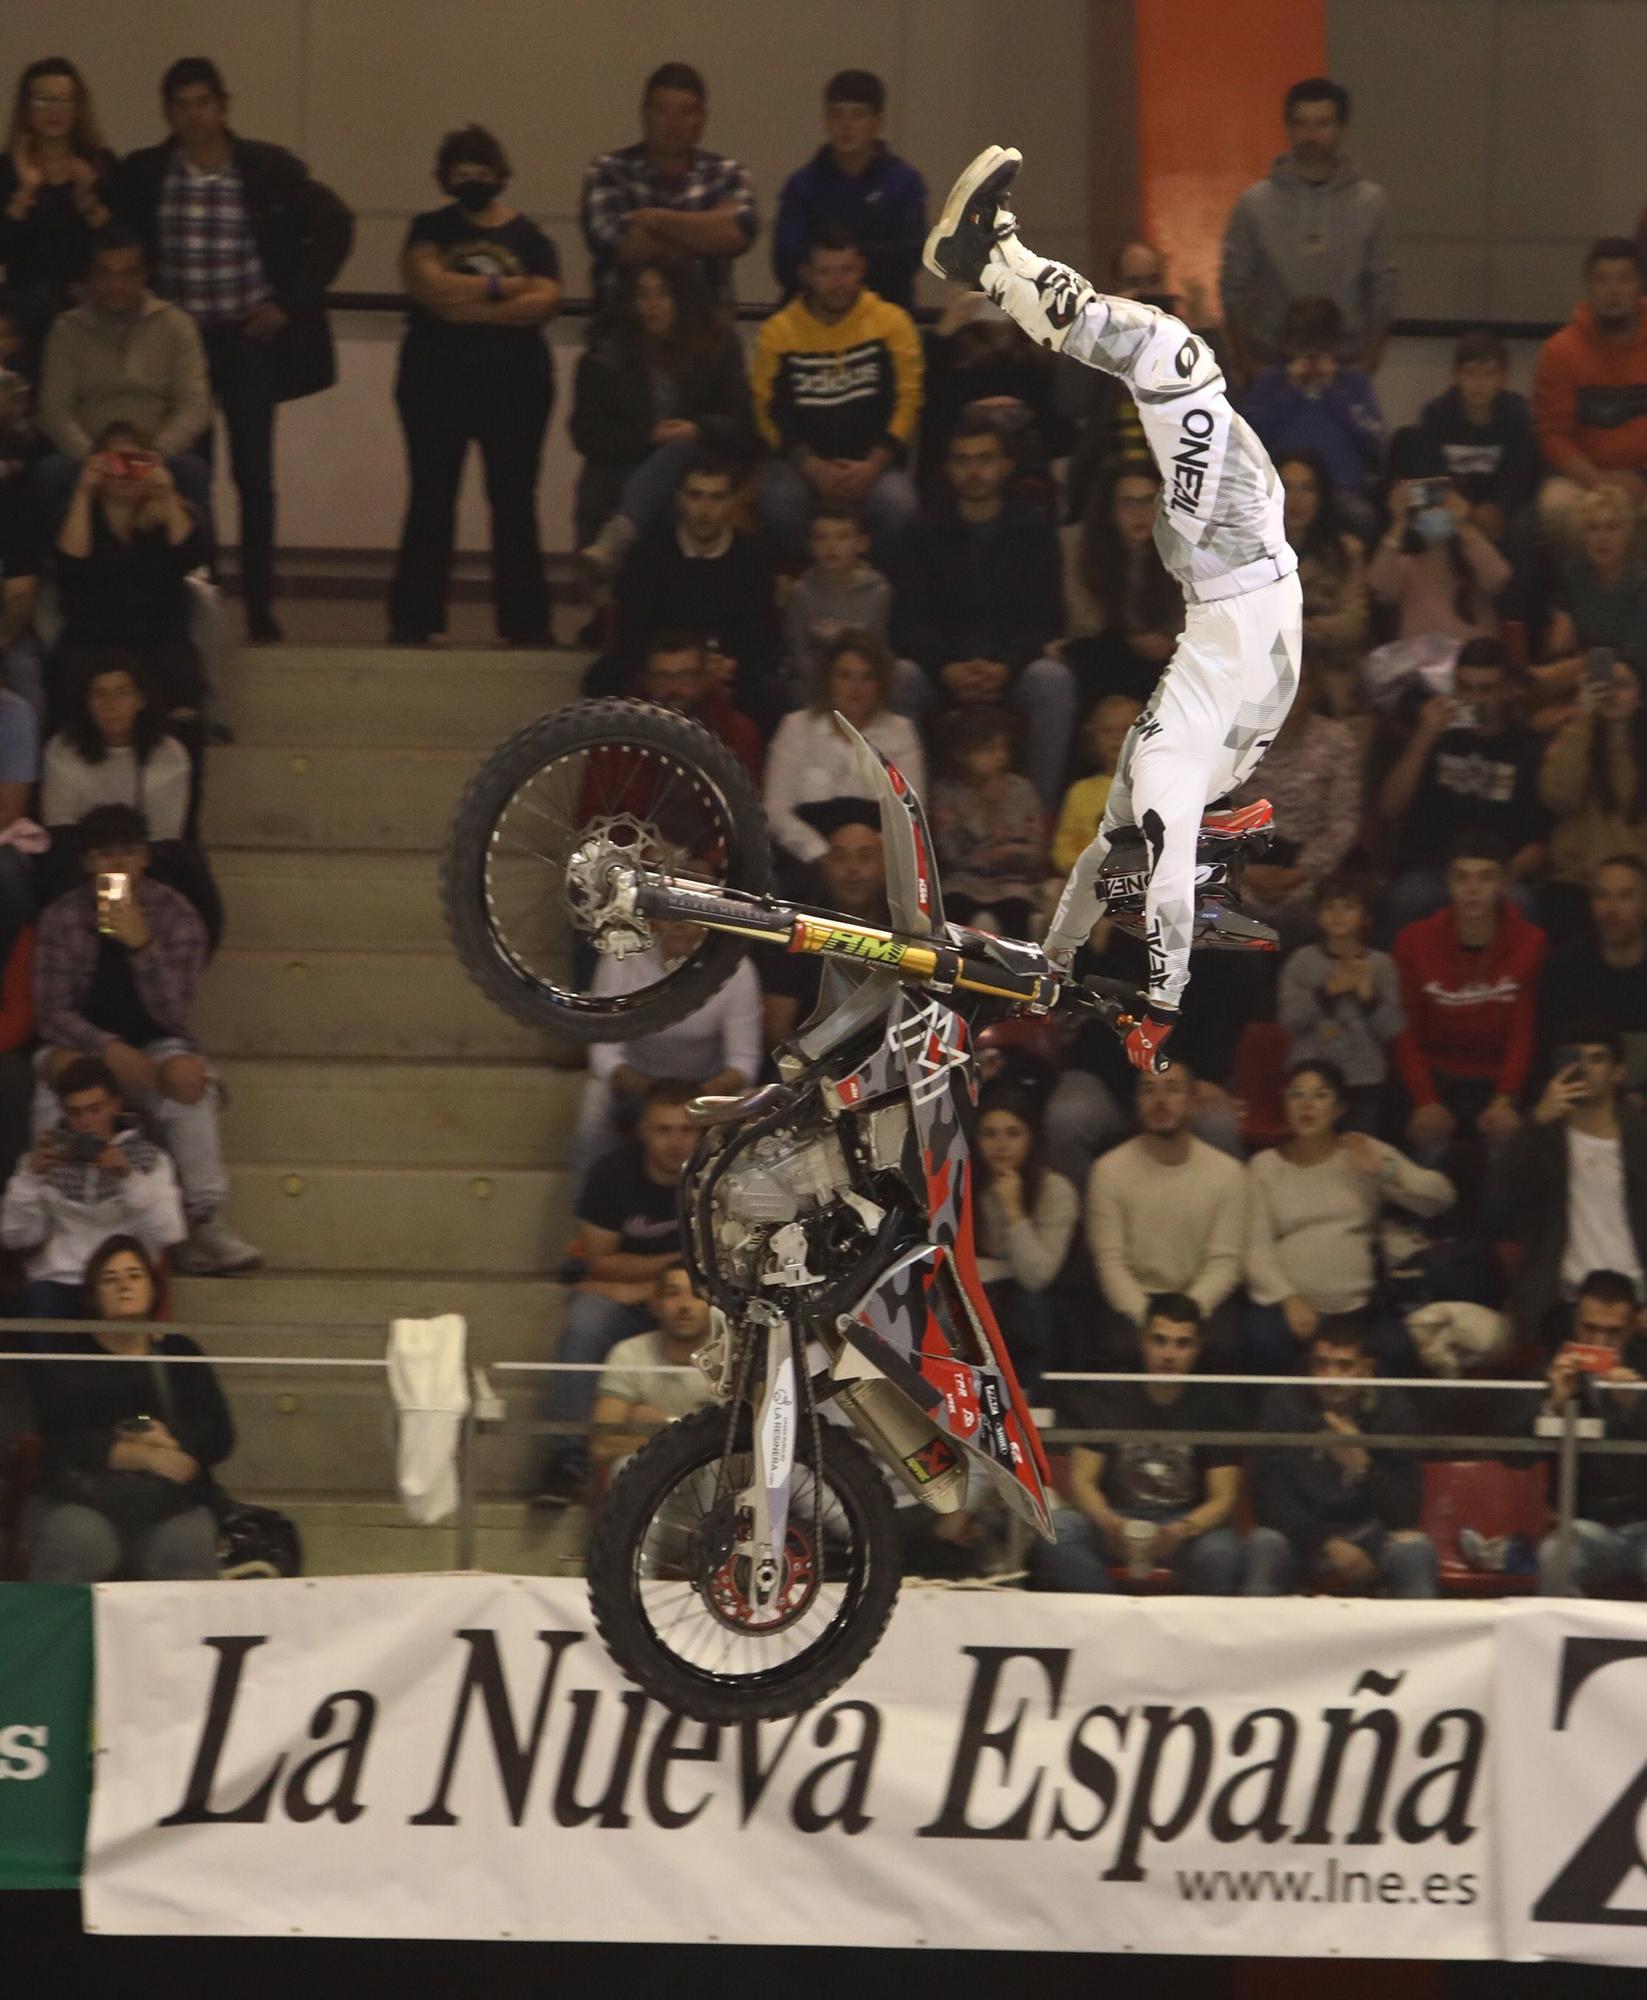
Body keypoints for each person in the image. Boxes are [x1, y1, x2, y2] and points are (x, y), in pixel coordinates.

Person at [924, 145, 1302, 1070]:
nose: (1142, 853)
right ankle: (984, 261)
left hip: (1228, 560)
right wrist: (1162, 1000)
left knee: (1170, 357)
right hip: (1237, 550)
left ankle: (989, 263)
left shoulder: (1166, 768)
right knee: (1170, 356)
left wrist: (1052, 960)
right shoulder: (1183, 774)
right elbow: (1159, 868)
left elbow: (1100, 863)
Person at [117, 56, 354, 641]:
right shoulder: (148, 173)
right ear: (167, 112)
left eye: (202, 102)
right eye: (180, 105)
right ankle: (200, 592)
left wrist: (289, 303)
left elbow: (335, 224)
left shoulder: (265, 168)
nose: (192, 115)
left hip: (248, 341)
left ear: (223, 106)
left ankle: (262, 604)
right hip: (179, 344)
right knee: (187, 473)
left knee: (254, 475)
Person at [32, 803, 258, 1275]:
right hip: (83, 1045)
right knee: (61, 1072)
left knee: (188, 1076)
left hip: (157, 1044)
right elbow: (51, 1011)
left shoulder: (176, 915)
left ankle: (204, 1220)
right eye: (105, 856)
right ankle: (48, 1211)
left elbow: (174, 1010)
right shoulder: (62, 917)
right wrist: (108, 1049)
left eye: (128, 854)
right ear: (87, 862)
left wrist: (141, 945)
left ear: (144, 859)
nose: (117, 866)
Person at [386, 124, 560, 649]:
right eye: (460, 169)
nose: (472, 178)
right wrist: (499, 288)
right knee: (431, 498)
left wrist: (459, 304)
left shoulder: (531, 237)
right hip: (432, 386)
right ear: (444, 177)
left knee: (514, 501)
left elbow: (544, 303)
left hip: (518, 388)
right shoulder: (429, 227)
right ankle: (414, 619)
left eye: (481, 168)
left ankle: (526, 624)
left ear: (501, 175)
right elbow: (425, 285)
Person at [892, 409, 1073, 810]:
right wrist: (945, 666)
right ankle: (917, 816)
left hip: (1012, 668)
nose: (974, 471)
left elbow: (1046, 617)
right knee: (902, 678)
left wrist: (1006, 666)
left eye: (985, 459)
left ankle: (1035, 816)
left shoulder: (1033, 528)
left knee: (1052, 681)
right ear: (948, 468)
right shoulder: (921, 530)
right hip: (942, 670)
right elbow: (907, 620)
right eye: (963, 460)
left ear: (1006, 465)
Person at [24, 1231, 231, 1582]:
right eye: (110, 1279)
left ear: (152, 1288)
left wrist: (172, 1436)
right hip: (84, 1498)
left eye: (135, 1276)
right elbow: (60, 1438)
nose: (124, 1286)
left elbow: (219, 1432)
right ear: (93, 1295)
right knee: (79, 1541)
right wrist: (142, 1454)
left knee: (187, 1544)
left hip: (166, 1502)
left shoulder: (180, 1351)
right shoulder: (68, 1354)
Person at [531, 1081, 698, 1508]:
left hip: (695, 1300)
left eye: (686, 1129)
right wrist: (676, 1266)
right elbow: (601, 1262)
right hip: (633, 1302)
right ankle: (566, 1460)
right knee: (586, 1321)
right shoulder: (612, 1173)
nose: (675, 1141)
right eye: (663, 1129)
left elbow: (722, 1264)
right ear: (643, 1130)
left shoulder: (718, 1176)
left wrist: (646, 1284)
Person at [1245, 1059, 1452, 1375]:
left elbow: (1441, 1198)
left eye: (1320, 1095)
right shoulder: (1263, 1166)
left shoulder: (1362, 1151)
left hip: (1359, 1309)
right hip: (1287, 1306)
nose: (1307, 1105)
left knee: (1398, 1351)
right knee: (1263, 1343)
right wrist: (1289, 1299)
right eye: (1297, 1095)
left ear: (1339, 1108)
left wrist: (1386, 1171)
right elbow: (1255, 1248)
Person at [1031, 1293, 1245, 1594]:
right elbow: (1081, 1480)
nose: (1169, 1355)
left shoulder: (1216, 1404)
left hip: (1183, 1527)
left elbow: (1224, 1497)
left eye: (1182, 1343)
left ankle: (1186, 1631)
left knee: (1223, 1550)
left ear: (1197, 1348)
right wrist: (1110, 1523)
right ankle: (1111, 1616)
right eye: (1159, 1341)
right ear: (1142, 1340)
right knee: (1058, 1530)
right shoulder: (1109, 1395)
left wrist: (1181, 1530)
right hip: (1116, 1519)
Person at [751, 224, 924, 564]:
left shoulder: (892, 323)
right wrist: (813, 468)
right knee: (776, 502)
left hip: (875, 465)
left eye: (846, 270)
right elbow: (766, 411)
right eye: (826, 272)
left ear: (861, 269)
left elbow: (909, 401)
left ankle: (870, 590)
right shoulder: (777, 332)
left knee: (900, 506)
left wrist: (872, 466)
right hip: (802, 466)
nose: (837, 282)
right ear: (806, 275)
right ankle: (810, 589)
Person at [570, 260, 752, 570]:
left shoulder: (717, 344)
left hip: (702, 461)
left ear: (683, 297)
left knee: (679, 456)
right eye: (642, 294)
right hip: (628, 462)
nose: (652, 305)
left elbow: (743, 423)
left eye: (663, 293)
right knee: (664, 496)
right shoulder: (605, 355)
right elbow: (587, 434)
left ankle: (617, 537)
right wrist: (649, 435)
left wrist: (696, 430)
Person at [1218, 78, 1396, 384]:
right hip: (1271, 364)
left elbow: (1383, 287)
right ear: (1288, 128)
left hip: (1346, 365)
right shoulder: (1254, 204)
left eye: (1322, 124)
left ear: (1342, 129)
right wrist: (1246, 363)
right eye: (1301, 124)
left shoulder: (1371, 203)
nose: (1311, 135)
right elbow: (1233, 288)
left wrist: (1370, 362)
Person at [1245, 1317, 1437, 1597]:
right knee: (1264, 1542)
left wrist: (1363, 1465)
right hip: (1303, 1539)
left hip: (1370, 1537)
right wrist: (1326, 1542)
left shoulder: (1394, 1412)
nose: (1330, 1376)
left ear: (1367, 1369)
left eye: (1344, 1366)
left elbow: (1407, 1513)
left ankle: (1423, 1643)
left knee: (1415, 1549)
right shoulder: (1283, 1405)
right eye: (1321, 1364)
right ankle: (1254, 1641)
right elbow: (1268, 1502)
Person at [1392, 832, 1547, 1164]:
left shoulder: (1531, 943)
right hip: (1437, 1076)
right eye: (1462, 878)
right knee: (1425, 1144)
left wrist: (1505, 1098)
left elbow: (1523, 1033)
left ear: (1504, 882)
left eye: (1486, 878)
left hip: (1496, 1078)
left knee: (1508, 1148)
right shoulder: (1413, 942)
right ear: (1447, 883)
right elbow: (1405, 1031)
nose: (1473, 890)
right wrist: (1424, 1100)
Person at [1490, 1023, 1647, 1351]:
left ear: (1618, 1072)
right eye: (1575, 1059)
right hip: (1560, 1303)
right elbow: (1504, 1194)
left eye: (1597, 1059)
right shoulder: (1543, 1135)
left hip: (1638, 1300)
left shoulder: (1641, 1136)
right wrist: (1536, 1122)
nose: (1585, 1068)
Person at [1378, 637, 1548, 933]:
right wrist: (1424, 737)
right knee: (1407, 898)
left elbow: (1539, 841)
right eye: (1465, 688)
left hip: (1496, 873)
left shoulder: (1527, 747)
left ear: (1506, 691)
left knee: (1521, 903)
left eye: (1486, 690)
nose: (1475, 699)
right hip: (1434, 868)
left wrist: (1501, 877)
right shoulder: (1436, 735)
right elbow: (1390, 808)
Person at [36, 228, 210, 509]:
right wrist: (96, 458)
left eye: (128, 273)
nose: (116, 283)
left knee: (193, 472)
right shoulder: (67, 330)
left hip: (159, 454)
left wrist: (153, 456)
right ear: (90, 276)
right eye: (105, 273)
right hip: (89, 455)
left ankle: (194, 554)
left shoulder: (176, 325)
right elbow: (55, 409)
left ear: (144, 275)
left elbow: (195, 405)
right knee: (50, 472)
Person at [1086, 1062, 1247, 1363]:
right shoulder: (1107, 1171)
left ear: (1192, 1101)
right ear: (1137, 1103)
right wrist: (1149, 1318)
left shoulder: (1228, 1173)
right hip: (1135, 1302)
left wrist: (1183, 1319)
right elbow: (1110, 1262)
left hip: (1199, 1301)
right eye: (1149, 1090)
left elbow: (1224, 1263)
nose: (1160, 1101)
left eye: (1172, 1090)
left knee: (1228, 1348)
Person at [599, 458, 779, 726]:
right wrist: (674, 669)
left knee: (769, 695)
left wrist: (730, 664)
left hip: (730, 672)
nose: (705, 509)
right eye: (696, 496)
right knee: (603, 682)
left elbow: (760, 633)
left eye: (717, 497)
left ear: (731, 502)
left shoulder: (754, 557)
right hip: (660, 668)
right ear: (680, 499)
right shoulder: (647, 555)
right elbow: (633, 629)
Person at [0, 1058, 185, 1318]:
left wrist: (127, 1177)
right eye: (75, 1113)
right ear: (63, 1112)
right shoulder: (44, 1160)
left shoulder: (150, 1158)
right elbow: (13, 1236)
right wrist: (30, 1178)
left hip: (122, 1279)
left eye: (95, 1110)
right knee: (37, 1300)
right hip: (60, 1279)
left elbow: (168, 1232)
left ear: (115, 1106)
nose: (85, 1122)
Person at [53, 420, 209, 727]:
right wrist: (84, 492)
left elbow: (190, 558)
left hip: (158, 636)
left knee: (182, 678)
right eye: (113, 462)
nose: (123, 472)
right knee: (68, 674)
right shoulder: (77, 514)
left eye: (136, 463)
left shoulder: (174, 513)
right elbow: (70, 566)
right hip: (90, 638)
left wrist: (166, 495)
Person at [575, 917, 760, 1175]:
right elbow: (603, 1053)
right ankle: (593, 1202)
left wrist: (700, 1094)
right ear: (653, 919)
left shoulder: (736, 969)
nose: (680, 925)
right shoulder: (621, 958)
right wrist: (651, 1090)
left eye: (692, 918)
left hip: (705, 1087)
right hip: (637, 1085)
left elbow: (744, 1062)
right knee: (593, 1105)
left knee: (751, 1113)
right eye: (673, 916)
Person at [580, 62, 757, 311]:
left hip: (708, 338)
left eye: (687, 112)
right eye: (662, 111)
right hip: (623, 338)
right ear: (644, 114)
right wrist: (706, 235)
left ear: (702, 119)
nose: (673, 124)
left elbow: (738, 235)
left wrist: (652, 218)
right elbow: (620, 246)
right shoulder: (608, 171)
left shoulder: (728, 174)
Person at [764, 630, 924, 877]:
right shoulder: (796, 727)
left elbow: (911, 813)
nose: (855, 688)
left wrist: (867, 858)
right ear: (828, 680)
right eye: (845, 676)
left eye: (866, 677)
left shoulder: (900, 732)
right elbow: (776, 810)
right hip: (806, 861)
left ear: (880, 682)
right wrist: (821, 854)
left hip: (880, 866)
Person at [1227, 662, 1362, 945]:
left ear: (1313, 689)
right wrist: (1244, 870)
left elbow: (1344, 823)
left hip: (1310, 866)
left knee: (1318, 911)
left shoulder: (1336, 740)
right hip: (1241, 859)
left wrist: (1301, 873)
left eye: (1298, 683)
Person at [1532, 1269, 1647, 1595]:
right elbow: (1511, 1456)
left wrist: (1635, 1408)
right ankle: (1564, 1644)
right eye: (1590, 1328)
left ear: (1633, 1325)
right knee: (1556, 1555)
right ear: (1574, 1321)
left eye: (1613, 1332)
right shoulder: (1553, 1368)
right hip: (1583, 1525)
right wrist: (1553, 1406)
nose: (1599, 1342)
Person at [773, 70, 925, 309]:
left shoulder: (904, 183)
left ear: (877, 123)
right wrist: (869, 255)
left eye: (858, 115)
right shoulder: (802, 185)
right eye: (836, 115)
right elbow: (785, 263)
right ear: (825, 121)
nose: (846, 126)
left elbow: (908, 258)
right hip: (813, 320)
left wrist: (829, 262)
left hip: (885, 318)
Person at [1532, 238, 1647, 547]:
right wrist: (1596, 480)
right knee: (1556, 508)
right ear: (1588, 286)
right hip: (1582, 480)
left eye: (1623, 278)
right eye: (1602, 279)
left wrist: (1640, 481)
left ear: (1639, 285)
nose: (1613, 291)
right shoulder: (1561, 351)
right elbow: (1552, 434)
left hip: (1644, 477)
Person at [0, 57, 115, 357]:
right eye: (43, 100)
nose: (54, 110)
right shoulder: (5, 169)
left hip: (92, 309)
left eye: (64, 100)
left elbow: (120, 244)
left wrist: (87, 199)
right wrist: (24, 193)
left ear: (78, 109)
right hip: (24, 314)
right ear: (26, 109)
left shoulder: (101, 164)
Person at [1239, 297, 1383, 527]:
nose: (1312, 357)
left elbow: (1374, 440)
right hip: (1279, 491)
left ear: (1334, 346)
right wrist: (1291, 390)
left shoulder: (1354, 383)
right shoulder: (1271, 382)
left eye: (1320, 348)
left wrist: (1334, 391)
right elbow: (1248, 439)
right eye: (1304, 348)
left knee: (1362, 518)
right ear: (1290, 346)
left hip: (1341, 490)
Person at [974, 1081, 1078, 1395]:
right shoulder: (962, 1185)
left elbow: (1036, 1276)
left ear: (1031, 1138)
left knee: (1027, 1306)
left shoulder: (1057, 1190)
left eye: (1013, 1133)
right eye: (990, 1134)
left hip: (1033, 1305)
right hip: (974, 1295)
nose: (1000, 1145)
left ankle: (1025, 1401)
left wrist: (1014, 1211)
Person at [758, 796, 887, 1047]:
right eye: (840, 857)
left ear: (884, 865)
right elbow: (777, 1030)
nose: (852, 869)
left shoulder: (907, 929)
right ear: (824, 864)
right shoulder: (794, 931)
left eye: (865, 857)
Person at [1277, 875, 1405, 1125]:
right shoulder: (1301, 961)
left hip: (1364, 1079)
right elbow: (1289, 1020)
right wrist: (1329, 991)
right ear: (1317, 915)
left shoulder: (1381, 965)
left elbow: (1392, 1030)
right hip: (1310, 1078)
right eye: (1329, 907)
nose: (1338, 914)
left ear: (1365, 916)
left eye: (1348, 907)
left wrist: (1369, 999)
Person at [1060, 459, 1184, 710]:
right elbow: (1084, 626)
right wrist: (1131, 641)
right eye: (1128, 502)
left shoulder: (1184, 552)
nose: (1139, 513)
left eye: (1149, 501)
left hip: (1162, 665)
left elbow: (1186, 625)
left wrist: (1166, 641)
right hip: (1101, 661)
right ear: (1108, 509)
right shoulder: (1077, 547)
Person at [1539, 658, 1647, 938]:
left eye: (1622, 685)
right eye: (1604, 684)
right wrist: (1583, 716)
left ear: (1640, 698)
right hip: (1580, 880)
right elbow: (1558, 797)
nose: (1611, 692)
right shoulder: (1573, 737)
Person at [42, 650, 191, 842]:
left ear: (140, 700)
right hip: (79, 859)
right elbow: (60, 826)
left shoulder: (169, 754)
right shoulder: (63, 750)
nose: (111, 705)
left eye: (122, 694)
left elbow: (164, 835)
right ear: (86, 702)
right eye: (100, 694)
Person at [929, 708, 1048, 939]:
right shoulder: (947, 794)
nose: (999, 757)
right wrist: (982, 809)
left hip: (1012, 884)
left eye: (1002, 748)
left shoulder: (1022, 790)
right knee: (953, 916)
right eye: (989, 750)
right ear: (963, 754)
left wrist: (1002, 852)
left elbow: (1036, 852)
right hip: (962, 883)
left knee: (1016, 914)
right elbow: (950, 851)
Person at [588, 1262, 714, 1480]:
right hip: (652, 1476)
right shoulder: (628, 1353)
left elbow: (747, 1440)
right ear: (655, 1305)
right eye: (672, 1294)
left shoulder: (735, 1355)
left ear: (714, 1303)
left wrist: (668, 1424)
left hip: (716, 1475)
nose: (684, 1305)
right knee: (626, 1467)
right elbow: (602, 1445)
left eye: (696, 1294)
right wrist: (693, 1437)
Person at [1407, 329, 1540, 532]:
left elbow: (1521, 476)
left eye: (1490, 374)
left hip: (1499, 508)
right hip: (1448, 503)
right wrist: (1463, 509)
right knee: (1430, 522)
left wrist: (1497, 507)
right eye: (1470, 373)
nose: (1479, 383)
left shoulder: (1518, 416)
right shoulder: (1434, 414)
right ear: (1455, 376)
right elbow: (1425, 474)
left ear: (1503, 378)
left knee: (1521, 528)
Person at [1367, 474, 1512, 645]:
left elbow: (1498, 578)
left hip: (1473, 661)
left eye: (1440, 500)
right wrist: (1399, 522)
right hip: (1421, 663)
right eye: (1425, 503)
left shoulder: (1472, 551)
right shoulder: (1406, 563)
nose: (1434, 510)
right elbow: (1378, 587)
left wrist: (1463, 525)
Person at [1538, 854, 1647, 1059]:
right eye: (1601, 895)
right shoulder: (1565, 967)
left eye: (1626, 895)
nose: (1611, 908)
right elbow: (1550, 1050)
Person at [777, 508, 892, 701]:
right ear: (810, 545)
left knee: (906, 675)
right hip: (815, 680)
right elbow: (799, 652)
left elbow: (877, 647)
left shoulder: (879, 592)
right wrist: (829, 682)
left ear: (861, 544)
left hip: (865, 677)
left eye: (842, 537)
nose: (830, 546)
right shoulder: (800, 592)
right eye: (821, 538)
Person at [1052, 694, 1141, 877]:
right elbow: (1065, 845)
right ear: (1093, 737)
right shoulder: (1080, 792)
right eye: (1107, 731)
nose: (1116, 738)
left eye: (1125, 730)